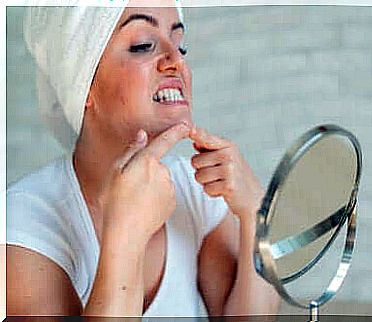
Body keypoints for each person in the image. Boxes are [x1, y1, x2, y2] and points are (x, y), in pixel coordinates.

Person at [6, 0, 281, 317]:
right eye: (142, 45)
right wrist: (126, 237)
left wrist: (256, 214)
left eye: (181, 45)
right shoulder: (22, 226)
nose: (176, 60)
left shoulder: (195, 190)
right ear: (83, 87)